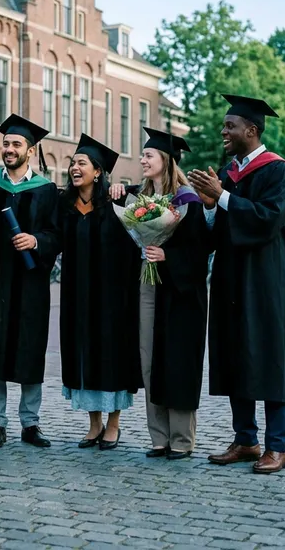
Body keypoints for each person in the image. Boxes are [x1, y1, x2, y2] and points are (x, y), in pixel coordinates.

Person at [188, 94, 285, 475]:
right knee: (237, 353)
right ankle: (246, 439)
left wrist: (222, 197)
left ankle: (277, 446)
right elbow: (216, 232)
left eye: (230, 126)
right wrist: (207, 205)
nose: (223, 131)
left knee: (268, 357)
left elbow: (267, 221)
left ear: (251, 131)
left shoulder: (278, 171)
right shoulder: (227, 172)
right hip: (231, 280)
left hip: (267, 282)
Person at [111, 129, 209, 460]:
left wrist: (170, 257)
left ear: (165, 161)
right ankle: (159, 437)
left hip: (181, 293)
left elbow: (202, 250)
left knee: (177, 360)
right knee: (148, 355)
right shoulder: (139, 198)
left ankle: (182, 439)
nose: (142, 159)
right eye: (142, 155)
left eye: (148, 155)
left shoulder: (187, 201)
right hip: (147, 282)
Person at [0, 115, 60, 450]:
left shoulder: (45, 189)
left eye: (16, 144)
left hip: (30, 284)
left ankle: (30, 422)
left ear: (31, 150)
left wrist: (36, 241)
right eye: (7, 143)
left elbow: (57, 233)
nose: (9, 149)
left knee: (29, 350)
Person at [59, 134, 141, 451]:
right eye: (72, 163)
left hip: (112, 297)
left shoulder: (117, 204)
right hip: (77, 295)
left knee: (112, 354)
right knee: (84, 353)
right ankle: (94, 424)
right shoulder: (64, 205)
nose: (74, 168)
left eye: (81, 163)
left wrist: (123, 194)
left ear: (98, 172)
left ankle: (114, 424)